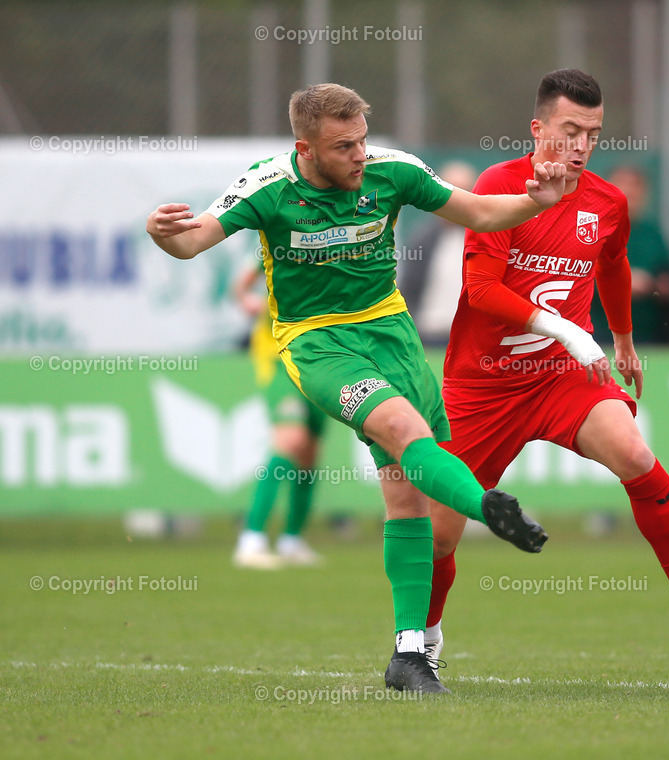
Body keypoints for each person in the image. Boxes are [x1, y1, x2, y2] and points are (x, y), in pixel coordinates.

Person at [146, 83, 563, 694]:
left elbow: (478, 212)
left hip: (392, 334)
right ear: (305, 149)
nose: (360, 155)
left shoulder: (392, 172)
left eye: (363, 139)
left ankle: (408, 655)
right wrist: (163, 233)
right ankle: (488, 508)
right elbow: (191, 240)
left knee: (407, 497)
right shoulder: (267, 186)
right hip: (316, 344)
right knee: (404, 433)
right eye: (344, 147)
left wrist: (537, 202)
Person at [424, 69, 669, 678]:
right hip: (483, 386)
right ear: (538, 129)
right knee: (439, 537)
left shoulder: (607, 202)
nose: (581, 145)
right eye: (569, 130)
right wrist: (574, 331)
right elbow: (479, 288)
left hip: (560, 377)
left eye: (593, 133)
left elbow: (613, 265)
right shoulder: (499, 187)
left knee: (633, 453)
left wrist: (625, 339)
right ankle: (425, 640)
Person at [232, 263, 327, 569]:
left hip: (321, 364)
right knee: (290, 440)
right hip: (279, 362)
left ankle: (291, 541)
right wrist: (247, 299)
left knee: (309, 452)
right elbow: (242, 284)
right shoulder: (285, 235)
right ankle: (251, 540)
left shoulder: (342, 242)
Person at [589, 165, 669, 345]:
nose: (629, 191)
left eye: (636, 186)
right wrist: (619, 282)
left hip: (651, 338)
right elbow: (572, 278)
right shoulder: (590, 229)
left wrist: (662, 286)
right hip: (599, 337)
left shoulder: (652, 233)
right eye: (621, 184)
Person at [398, 161, 479, 345]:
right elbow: (409, 287)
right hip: (428, 334)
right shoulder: (423, 237)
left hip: (469, 336)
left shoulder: (484, 238)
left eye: (464, 192)